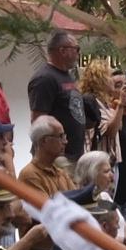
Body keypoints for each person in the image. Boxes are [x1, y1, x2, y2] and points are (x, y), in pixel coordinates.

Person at [29, 28, 92, 156]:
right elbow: (38, 121)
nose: (78, 54)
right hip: (58, 157)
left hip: (74, 154)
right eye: (76, 49)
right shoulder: (45, 79)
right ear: (62, 51)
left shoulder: (66, 76)